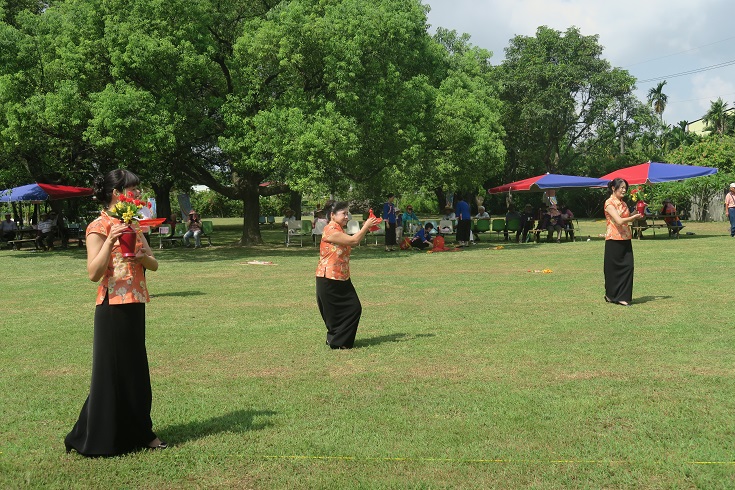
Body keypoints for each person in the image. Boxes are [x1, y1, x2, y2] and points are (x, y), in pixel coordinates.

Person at [65, 169, 165, 457]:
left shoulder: (134, 224)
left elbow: (154, 265)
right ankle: (98, 436)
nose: (137, 194)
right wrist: (110, 241)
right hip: (111, 307)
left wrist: (142, 255)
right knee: (110, 374)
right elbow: (93, 274)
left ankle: (142, 434)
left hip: (135, 302)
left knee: (135, 372)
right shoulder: (97, 226)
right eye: (132, 190)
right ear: (116, 193)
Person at [316, 201, 379, 349]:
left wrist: (367, 228)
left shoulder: (338, 229)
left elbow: (353, 238)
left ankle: (336, 339)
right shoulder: (330, 230)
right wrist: (365, 227)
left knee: (351, 308)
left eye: (347, 213)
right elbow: (354, 241)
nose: (347, 217)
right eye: (343, 213)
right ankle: (338, 341)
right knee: (345, 310)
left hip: (341, 276)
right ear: (332, 215)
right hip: (329, 278)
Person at [603, 178, 641, 307]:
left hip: (625, 238)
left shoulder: (623, 204)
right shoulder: (609, 203)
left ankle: (623, 296)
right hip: (613, 239)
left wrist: (638, 211)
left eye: (625, 188)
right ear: (613, 188)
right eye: (622, 187)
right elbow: (619, 221)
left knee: (628, 267)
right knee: (612, 269)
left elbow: (627, 218)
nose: (624, 190)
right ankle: (610, 295)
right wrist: (633, 217)